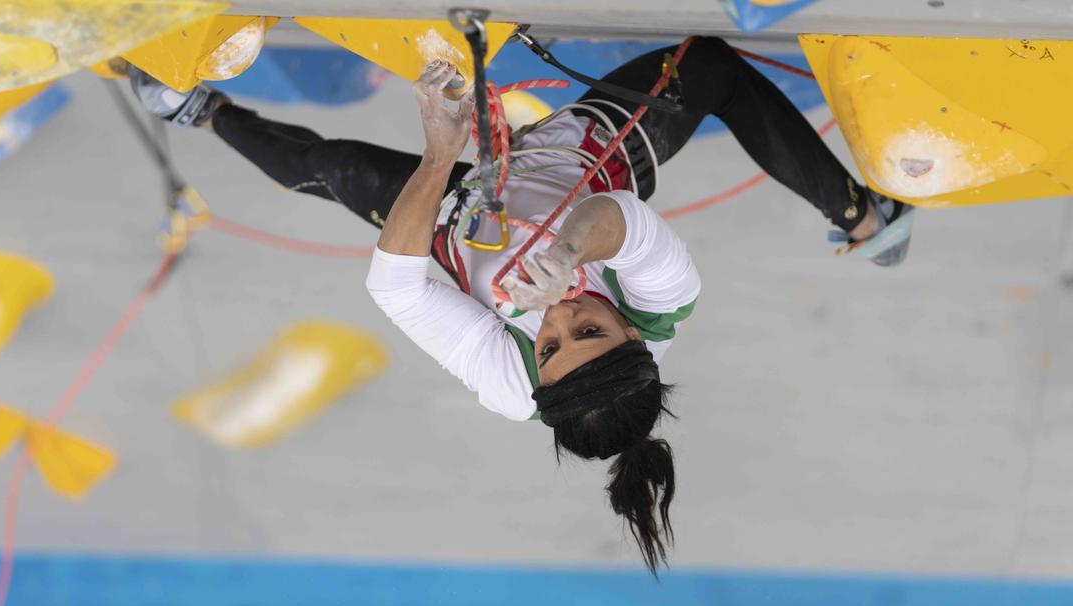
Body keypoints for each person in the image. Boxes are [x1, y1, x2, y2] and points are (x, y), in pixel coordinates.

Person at [129, 37, 912, 574]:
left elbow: (392, 286)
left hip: (459, 220)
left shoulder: (511, 387)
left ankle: (203, 112)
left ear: (535, 378)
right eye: (590, 326)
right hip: (582, 161)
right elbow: (626, 225)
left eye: (549, 343)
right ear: (631, 333)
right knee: (706, 65)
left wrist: (441, 152)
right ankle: (860, 215)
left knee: (329, 168)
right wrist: (569, 254)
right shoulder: (669, 303)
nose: (558, 316)